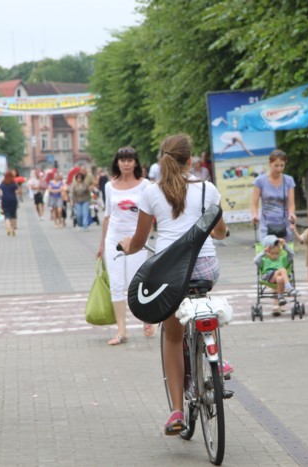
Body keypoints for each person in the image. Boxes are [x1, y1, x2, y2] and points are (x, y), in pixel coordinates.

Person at [117, 133, 228, 435]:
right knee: (203, 300)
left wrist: (126, 245)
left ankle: (177, 411)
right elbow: (219, 232)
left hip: (170, 275)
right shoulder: (208, 189)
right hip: (205, 268)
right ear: (189, 159)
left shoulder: (151, 194)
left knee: (173, 337)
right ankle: (217, 354)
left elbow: (140, 243)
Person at [97, 146, 154, 345]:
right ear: (117, 163)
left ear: (136, 163)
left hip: (137, 239)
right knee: (116, 284)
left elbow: (152, 213)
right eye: (123, 160)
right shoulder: (110, 186)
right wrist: (102, 245)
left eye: (130, 160)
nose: (126, 163)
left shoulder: (145, 185)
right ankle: (121, 331)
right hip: (113, 239)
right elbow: (107, 216)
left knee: (134, 282)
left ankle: (147, 317)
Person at [251, 149, 297, 241]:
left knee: (285, 253)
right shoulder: (260, 181)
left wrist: (292, 214)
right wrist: (255, 215)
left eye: (282, 166)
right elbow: (254, 204)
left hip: (284, 223)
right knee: (268, 252)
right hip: (266, 224)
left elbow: (291, 203)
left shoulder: (289, 180)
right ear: (270, 163)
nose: (279, 169)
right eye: (276, 165)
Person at [254, 235, 298, 316]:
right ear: (267, 252)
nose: (275, 255)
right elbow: (256, 261)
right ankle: (288, 287)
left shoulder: (282, 259)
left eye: (277, 253)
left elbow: (291, 254)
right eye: (272, 253)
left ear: (280, 252)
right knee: (282, 270)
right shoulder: (264, 259)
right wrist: (264, 252)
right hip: (268, 276)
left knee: (280, 278)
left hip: (278, 277)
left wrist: (284, 245)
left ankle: (281, 296)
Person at [0, 170, 19, 237]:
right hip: (13, 200)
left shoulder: (3, 183)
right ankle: (13, 229)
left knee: (7, 215)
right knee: (13, 215)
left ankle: (8, 228)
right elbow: (17, 191)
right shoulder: (13, 183)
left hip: (5, 200)